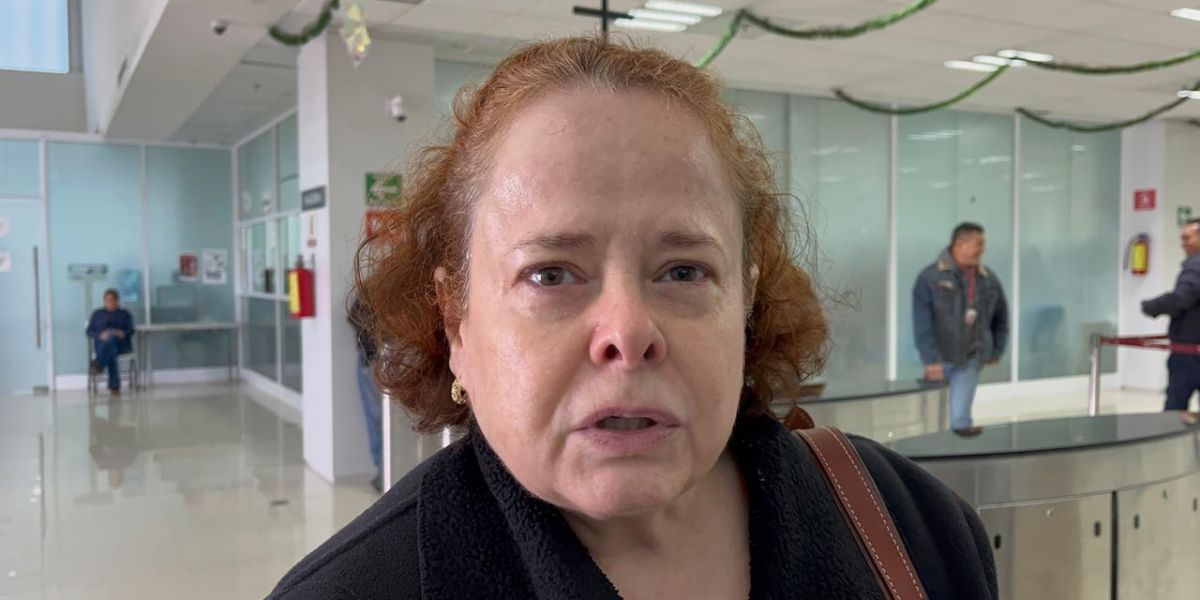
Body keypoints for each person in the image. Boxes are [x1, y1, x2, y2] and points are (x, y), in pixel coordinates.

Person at [270, 37, 997, 599]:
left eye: (683, 271)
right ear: (457, 323)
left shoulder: (914, 530)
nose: (628, 331)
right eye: (551, 274)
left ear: (745, 300)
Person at [913, 222, 1009, 437]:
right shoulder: (930, 278)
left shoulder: (988, 279)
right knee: (932, 419)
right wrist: (931, 360)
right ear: (959, 245)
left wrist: (996, 350)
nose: (983, 249)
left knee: (960, 419)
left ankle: (961, 449)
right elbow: (921, 323)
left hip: (971, 358)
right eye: (979, 243)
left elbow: (1001, 318)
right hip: (940, 359)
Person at [1141, 218, 1200, 423]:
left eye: (1187, 238)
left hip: (1190, 351)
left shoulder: (1196, 266)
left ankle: (1171, 443)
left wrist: (1153, 306)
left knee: (1174, 410)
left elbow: (1183, 297)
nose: (1183, 243)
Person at [349, 298, 384, 492]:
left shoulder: (371, 292)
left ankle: (383, 469)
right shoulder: (372, 294)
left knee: (377, 418)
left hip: (375, 359)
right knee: (377, 417)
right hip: (373, 359)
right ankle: (382, 469)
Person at [87, 289, 135, 395]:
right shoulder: (97, 314)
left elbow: (131, 330)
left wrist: (120, 333)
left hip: (121, 344)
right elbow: (89, 331)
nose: (110, 303)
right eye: (108, 300)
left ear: (117, 301)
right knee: (110, 348)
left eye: (113, 300)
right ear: (104, 301)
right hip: (102, 344)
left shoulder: (124, 314)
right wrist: (100, 335)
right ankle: (114, 386)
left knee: (111, 341)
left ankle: (98, 364)